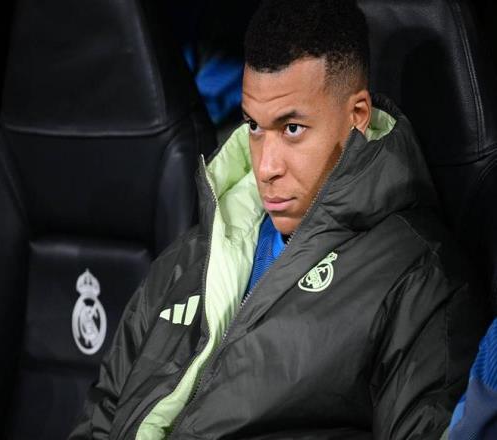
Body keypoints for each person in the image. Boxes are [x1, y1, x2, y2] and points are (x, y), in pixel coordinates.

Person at [69, 1, 487, 438]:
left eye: (292, 129)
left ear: (357, 118)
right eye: (254, 126)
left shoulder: (418, 281)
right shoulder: (190, 257)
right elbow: (102, 414)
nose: (266, 167)